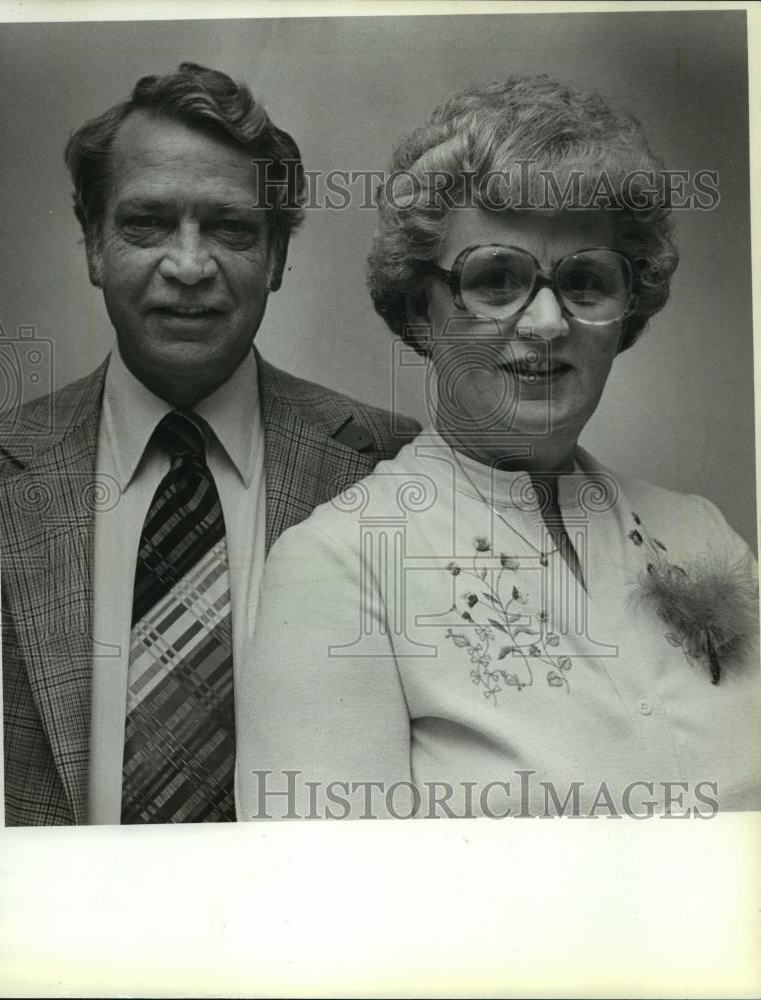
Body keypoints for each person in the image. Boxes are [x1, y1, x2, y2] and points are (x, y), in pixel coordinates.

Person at [236, 76, 760, 821]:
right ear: (423, 310)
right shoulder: (340, 567)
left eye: (585, 281)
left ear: (627, 310)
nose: (547, 323)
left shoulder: (705, 536)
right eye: (496, 279)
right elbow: (329, 913)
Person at [0, 63, 419, 826]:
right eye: (147, 224)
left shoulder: (396, 469)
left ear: (278, 258)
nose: (188, 267)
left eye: (230, 228)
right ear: (93, 245)